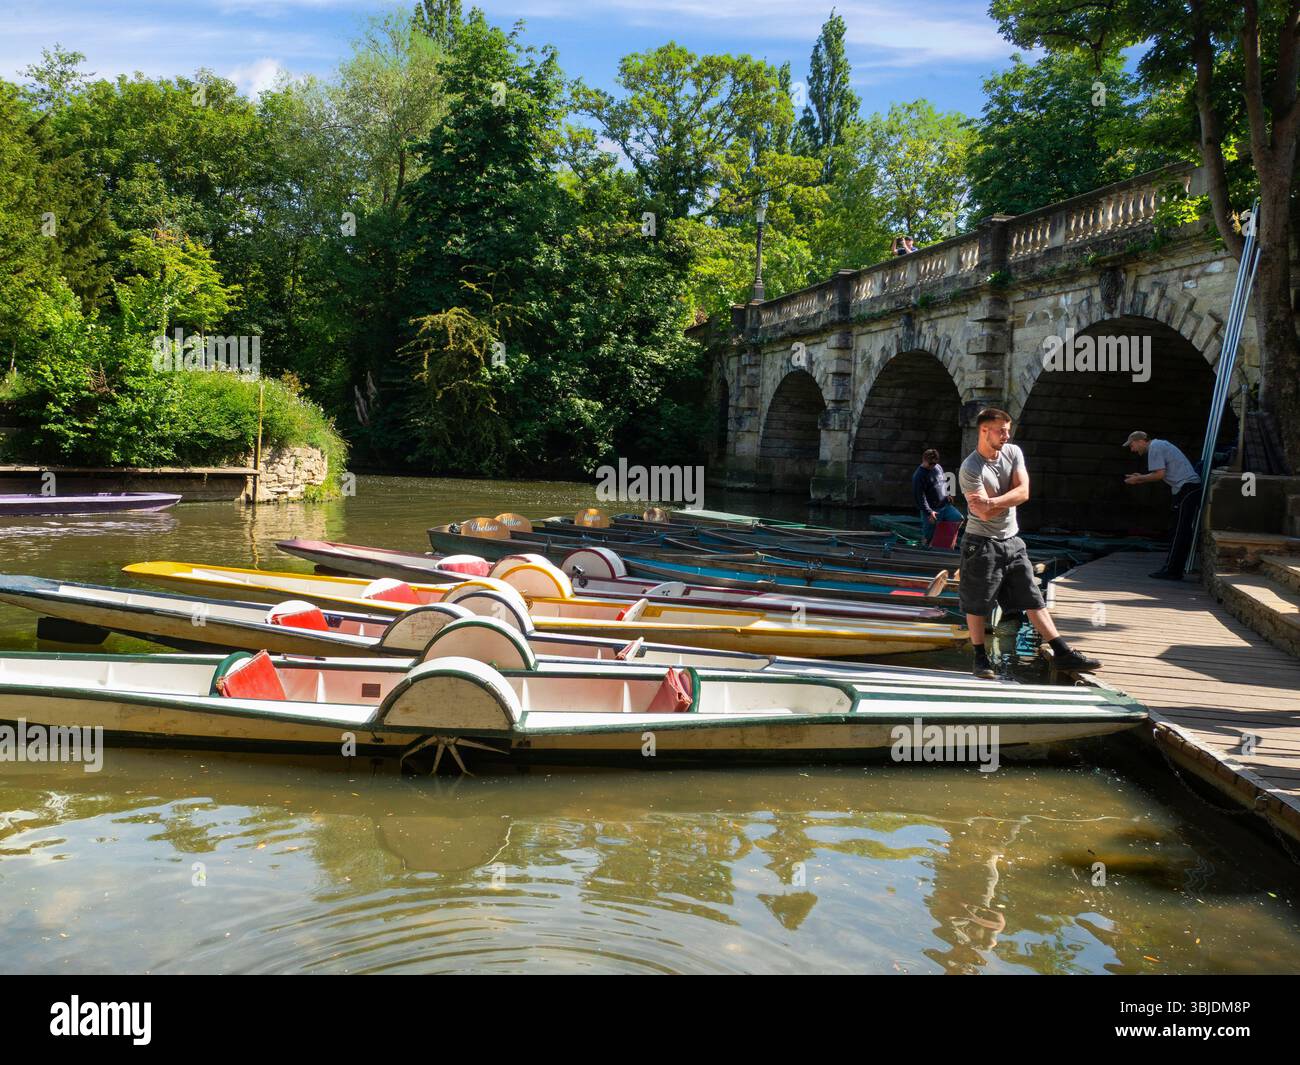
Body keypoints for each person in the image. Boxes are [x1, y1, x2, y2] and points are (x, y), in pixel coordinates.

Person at [958, 408, 1101, 679]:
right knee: (977, 603)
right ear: (984, 430)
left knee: (1033, 598)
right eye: (1001, 430)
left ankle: (1062, 653)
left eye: (1008, 430)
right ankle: (980, 658)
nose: (1006, 435)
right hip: (981, 543)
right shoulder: (970, 467)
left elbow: (1023, 492)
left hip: (1012, 540)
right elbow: (983, 513)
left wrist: (994, 500)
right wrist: (999, 501)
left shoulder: (1013, 453)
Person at [1122, 431, 1203, 580]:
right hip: (1186, 489)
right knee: (1178, 530)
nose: (1132, 450)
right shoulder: (1160, 445)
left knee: (1179, 531)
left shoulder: (1155, 447)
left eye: (1132, 445)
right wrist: (1139, 478)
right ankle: (1172, 568)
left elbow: (1159, 474)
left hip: (1187, 488)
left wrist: (1139, 479)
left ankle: (1173, 571)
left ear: (1141, 441)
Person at [912, 448, 963, 546]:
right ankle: (926, 550)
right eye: (930, 464)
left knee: (958, 518)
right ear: (924, 460)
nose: (933, 466)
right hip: (932, 509)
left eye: (935, 463)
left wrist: (947, 494)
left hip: (945, 505)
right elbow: (920, 497)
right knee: (928, 535)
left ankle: (946, 542)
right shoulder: (919, 476)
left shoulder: (938, 467)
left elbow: (941, 482)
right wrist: (929, 512)